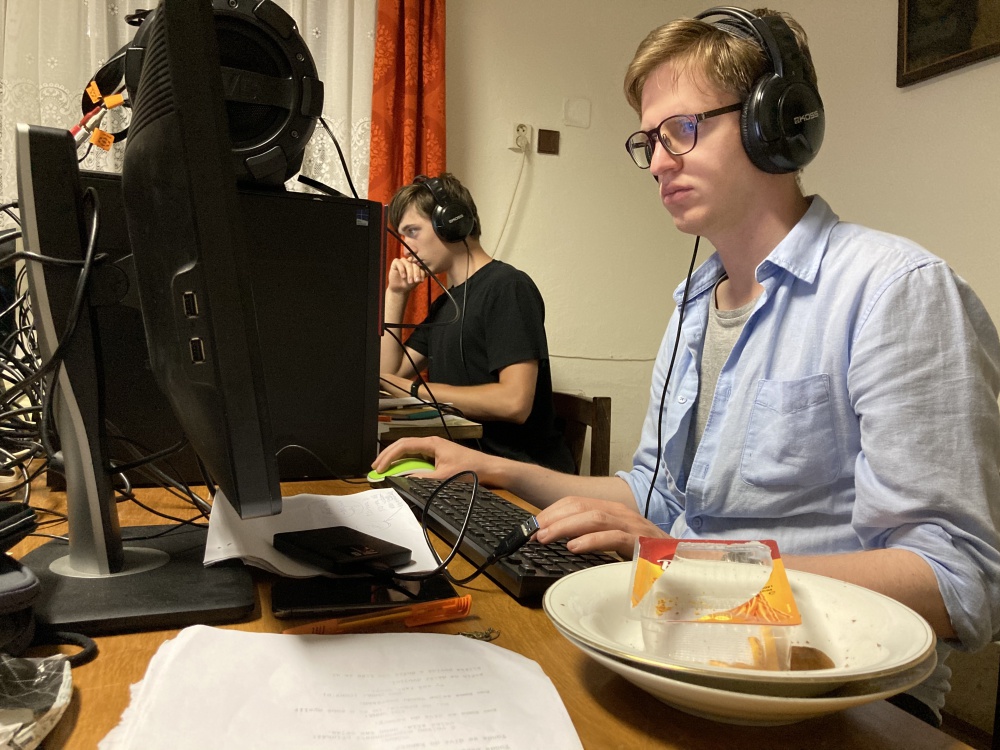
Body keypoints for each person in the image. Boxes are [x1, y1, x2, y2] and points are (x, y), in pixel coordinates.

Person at [373, 8, 1000, 723]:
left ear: (773, 122)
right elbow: (655, 495)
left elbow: (956, 582)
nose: (658, 162)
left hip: (838, 699)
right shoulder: (692, 306)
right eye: (649, 141)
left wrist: (692, 564)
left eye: (682, 129)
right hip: (681, 650)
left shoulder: (896, 292)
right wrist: (494, 470)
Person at [379, 173, 574, 474]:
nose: (405, 248)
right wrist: (396, 294)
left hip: (517, 473)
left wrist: (414, 389)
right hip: (463, 467)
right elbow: (386, 375)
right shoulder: (445, 305)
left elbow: (514, 403)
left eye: (412, 231)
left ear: (450, 222)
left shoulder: (508, 287)